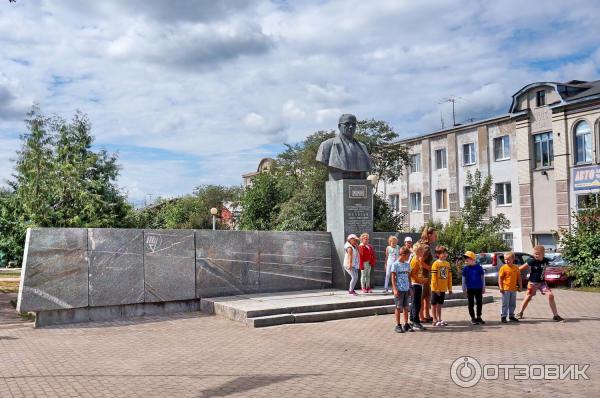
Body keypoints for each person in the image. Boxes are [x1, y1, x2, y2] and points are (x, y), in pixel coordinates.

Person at [516, 245, 564, 322]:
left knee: (551, 296)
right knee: (528, 297)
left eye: (537, 254)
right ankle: (520, 313)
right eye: (534, 254)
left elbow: (554, 264)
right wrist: (513, 272)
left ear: (543, 254)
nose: (535, 255)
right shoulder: (532, 260)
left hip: (542, 283)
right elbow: (520, 268)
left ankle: (555, 315)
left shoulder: (545, 260)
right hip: (532, 283)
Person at [392, 247, 414, 333]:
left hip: (406, 289)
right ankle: (398, 325)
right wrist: (394, 289)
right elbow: (393, 278)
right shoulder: (395, 264)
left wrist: (410, 288)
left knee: (406, 307)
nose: (409, 258)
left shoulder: (407, 265)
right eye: (408, 256)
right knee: (398, 307)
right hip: (399, 289)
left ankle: (406, 324)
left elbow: (409, 277)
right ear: (403, 255)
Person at [461, 251, 486, 325]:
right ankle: (473, 318)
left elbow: (482, 278)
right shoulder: (465, 268)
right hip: (470, 289)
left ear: (472, 259)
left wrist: (483, 287)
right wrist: (464, 289)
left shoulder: (479, 267)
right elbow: (463, 279)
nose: (465, 261)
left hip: (478, 288)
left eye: (467, 259)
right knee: (470, 304)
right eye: (465, 260)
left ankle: (478, 317)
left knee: (479, 303)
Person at [418, 226, 437, 323]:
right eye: (435, 235)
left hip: (425, 274)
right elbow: (420, 261)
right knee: (422, 296)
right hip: (423, 275)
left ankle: (427, 314)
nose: (436, 237)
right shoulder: (426, 246)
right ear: (429, 235)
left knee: (426, 295)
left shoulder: (423, 244)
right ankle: (421, 317)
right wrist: (430, 268)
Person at [430, 245, 452, 327]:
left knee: (440, 304)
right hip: (436, 289)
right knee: (434, 304)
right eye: (443, 253)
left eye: (445, 253)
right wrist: (436, 289)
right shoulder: (435, 264)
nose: (445, 254)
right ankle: (434, 319)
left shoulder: (447, 264)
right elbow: (433, 278)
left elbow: (449, 277)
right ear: (438, 254)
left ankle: (439, 318)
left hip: (443, 288)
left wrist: (450, 288)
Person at [498, 252, 522, 323]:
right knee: (505, 303)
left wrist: (520, 286)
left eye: (508, 259)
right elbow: (500, 278)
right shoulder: (503, 268)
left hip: (513, 289)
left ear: (513, 259)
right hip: (505, 289)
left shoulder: (516, 267)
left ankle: (511, 316)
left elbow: (519, 278)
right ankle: (503, 316)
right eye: (505, 259)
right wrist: (500, 287)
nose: (506, 261)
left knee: (512, 303)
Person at [409, 243, 428, 331]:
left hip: (418, 284)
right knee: (416, 304)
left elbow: (417, 273)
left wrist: (422, 279)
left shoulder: (418, 260)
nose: (423, 252)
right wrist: (420, 280)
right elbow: (412, 274)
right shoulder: (414, 260)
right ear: (418, 251)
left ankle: (413, 320)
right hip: (415, 285)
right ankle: (415, 322)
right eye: (422, 250)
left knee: (416, 303)